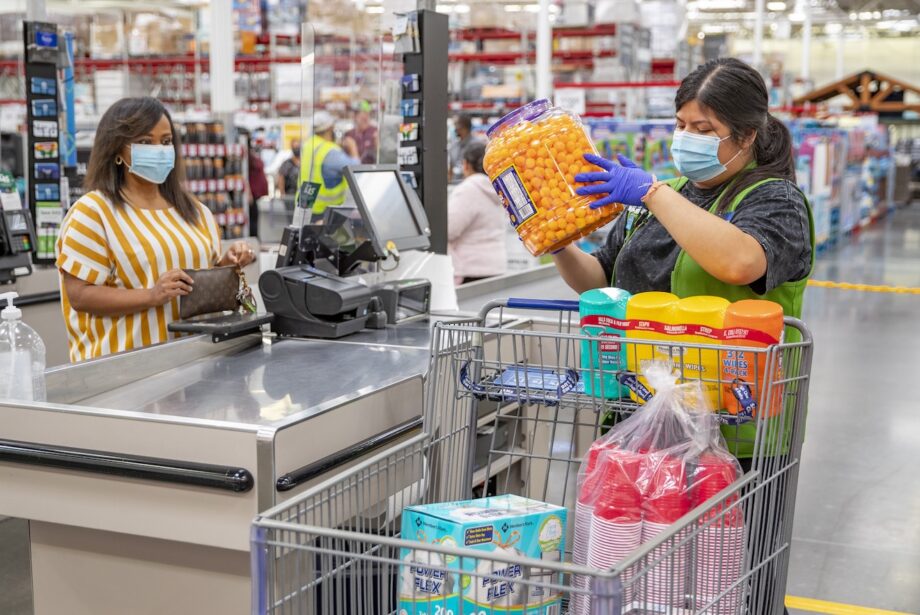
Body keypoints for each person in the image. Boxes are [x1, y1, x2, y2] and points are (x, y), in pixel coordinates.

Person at [556, 57, 812, 615]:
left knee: (726, 585)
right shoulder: (663, 196)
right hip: (634, 422)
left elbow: (742, 262)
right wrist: (554, 239)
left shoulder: (774, 201)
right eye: (681, 125)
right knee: (634, 578)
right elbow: (598, 281)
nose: (685, 140)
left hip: (735, 432)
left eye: (704, 130)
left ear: (746, 137)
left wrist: (651, 195)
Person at [55, 97, 256, 363]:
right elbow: (79, 295)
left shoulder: (195, 211)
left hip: (197, 363)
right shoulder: (93, 213)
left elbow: (195, 284)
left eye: (165, 141)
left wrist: (225, 266)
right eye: (145, 142)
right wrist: (151, 295)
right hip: (124, 370)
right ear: (117, 150)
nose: (159, 150)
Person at [447, 141, 508, 285]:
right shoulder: (498, 188)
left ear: (466, 164)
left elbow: (449, 230)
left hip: (470, 269)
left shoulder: (468, 190)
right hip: (496, 266)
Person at [300, 111, 360, 215]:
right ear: (329, 128)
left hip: (307, 204)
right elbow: (356, 169)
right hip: (325, 210)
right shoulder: (331, 152)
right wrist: (353, 147)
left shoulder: (308, 145)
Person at [241, 129, 268, 239]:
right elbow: (243, 175)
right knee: (252, 220)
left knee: (254, 218)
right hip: (250, 195)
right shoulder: (246, 157)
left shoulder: (249, 154)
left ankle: (255, 239)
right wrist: (248, 192)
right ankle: (253, 240)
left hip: (255, 195)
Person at [449, 114, 484, 182]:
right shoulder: (453, 146)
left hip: (474, 184)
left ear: (465, 127)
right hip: (455, 185)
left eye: (456, 125)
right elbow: (451, 169)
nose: (455, 128)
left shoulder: (478, 145)